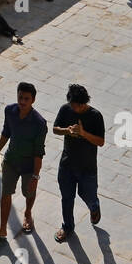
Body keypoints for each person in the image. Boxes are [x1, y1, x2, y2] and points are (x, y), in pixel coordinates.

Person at [0, 82, 47, 239]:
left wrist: (35, 176)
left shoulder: (39, 123)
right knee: (6, 193)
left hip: (28, 166)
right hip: (11, 161)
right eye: (20, 97)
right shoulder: (10, 111)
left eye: (26, 99)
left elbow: (39, 153)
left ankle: (28, 213)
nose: (22, 101)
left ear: (33, 100)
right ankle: (2, 229)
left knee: (29, 193)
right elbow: (6, 132)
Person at [52, 84, 107, 242]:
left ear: (84, 103)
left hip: (87, 167)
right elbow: (55, 129)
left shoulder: (96, 116)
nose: (74, 108)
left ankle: (94, 206)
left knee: (86, 194)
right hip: (67, 164)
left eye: (77, 105)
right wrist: (67, 131)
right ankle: (67, 226)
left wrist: (82, 133)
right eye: (72, 105)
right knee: (67, 198)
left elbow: (101, 142)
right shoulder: (65, 109)